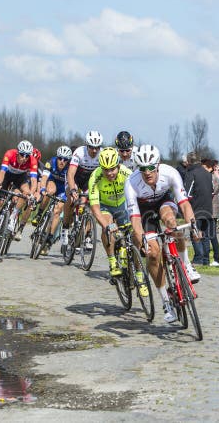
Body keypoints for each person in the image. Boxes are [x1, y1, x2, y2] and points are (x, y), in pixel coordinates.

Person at [125, 145, 201, 323]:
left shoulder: (170, 173)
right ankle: (166, 302)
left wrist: (194, 225)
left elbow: (184, 204)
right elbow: (135, 220)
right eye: (143, 169)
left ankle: (186, 265)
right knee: (153, 253)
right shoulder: (131, 183)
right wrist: (142, 239)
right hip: (143, 211)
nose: (147, 172)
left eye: (151, 167)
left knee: (172, 223)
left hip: (163, 201)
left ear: (158, 165)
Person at [0, 140, 39, 251]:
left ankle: (13, 216)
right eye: (22, 155)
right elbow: (2, 172)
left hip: (20, 178)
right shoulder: (10, 154)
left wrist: (31, 193)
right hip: (7, 176)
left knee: (26, 193)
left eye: (27, 156)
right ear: (17, 152)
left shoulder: (32, 160)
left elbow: (34, 180)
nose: (24, 158)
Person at [88, 148, 133, 277]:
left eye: (112, 169)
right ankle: (112, 260)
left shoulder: (127, 173)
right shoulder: (95, 177)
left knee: (129, 231)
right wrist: (107, 226)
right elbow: (95, 208)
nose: (109, 173)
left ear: (118, 165)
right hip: (105, 206)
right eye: (106, 169)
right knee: (109, 228)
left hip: (122, 205)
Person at [62, 131, 103, 248]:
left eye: (97, 148)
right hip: (75, 179)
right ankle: (65, 227)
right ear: (87, 145)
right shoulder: (79, 152)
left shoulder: (102, 155)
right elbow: (70, 174)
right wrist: (73, 190)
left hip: (89, 182)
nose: (94, 150)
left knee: (92, 205)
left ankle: (88, 234)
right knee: (70, 199)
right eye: (91, 147)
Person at [33, 145, 72, 254]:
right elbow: (44, 177)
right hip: (52, 182)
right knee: (48, 191)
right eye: (60, 158)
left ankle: (50, 237)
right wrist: (43, 188)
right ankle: (39, 214)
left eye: (65, 160)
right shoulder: (51, 162)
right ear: (57, 157)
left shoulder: (70, 168)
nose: (62, 161)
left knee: (57, 211)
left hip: (63, 189)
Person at [184, 152, 215, 268]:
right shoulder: (208, 174)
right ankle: (206, 259)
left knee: (195, 234)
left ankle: (198, 258)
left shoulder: (191, 173)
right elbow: (212, 192)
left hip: (195, 209)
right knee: (205, 235)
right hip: (208, 208)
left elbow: (187, 194)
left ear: (189, 161)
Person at [204, 159, 219, 266]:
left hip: (213, 211)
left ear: (210, 168)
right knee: (206, 234)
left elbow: (213, 191)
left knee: (212, 235)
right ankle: (205, 256)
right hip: (207, 210)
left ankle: (217, 259)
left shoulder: (214, 178)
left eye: (205, 168)